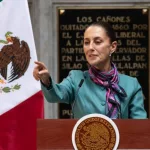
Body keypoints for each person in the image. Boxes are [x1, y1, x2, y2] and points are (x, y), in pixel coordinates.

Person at [33, 21, 147, 119]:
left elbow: (139, 127)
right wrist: (46, 80)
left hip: (122, 144)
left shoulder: (131, 85)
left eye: (97, 42)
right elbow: (55, 95)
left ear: (113, 46)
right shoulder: (77, 79)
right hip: (84, 143)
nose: (90, 47)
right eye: (86, 42)